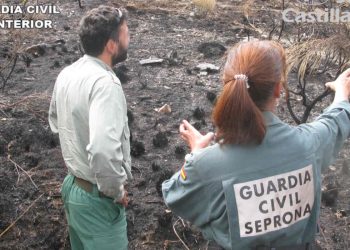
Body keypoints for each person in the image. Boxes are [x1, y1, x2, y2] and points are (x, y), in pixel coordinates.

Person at [162, 40, 350, 250]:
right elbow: (334, 123)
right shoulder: (309, 145)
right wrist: (342, 94)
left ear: (228, 86)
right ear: (278, 89)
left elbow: (174, 195)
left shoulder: (205, 166)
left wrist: (195, 155)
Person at [48, 5, 131, 250]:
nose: (130, 38)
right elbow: (104, 151)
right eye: (126, 33)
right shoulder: (106, 84)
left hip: (73, 189)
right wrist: (115, 192)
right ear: (111, 45)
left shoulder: (68, 73)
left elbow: (55, 121)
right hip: (98, 201)